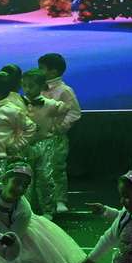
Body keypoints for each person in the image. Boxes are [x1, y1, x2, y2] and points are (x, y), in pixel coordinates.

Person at [18, 68, 70, 217]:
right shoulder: (19, 103)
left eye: (31, 86)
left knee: (45, 178)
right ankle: (25, 210)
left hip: (45, 144)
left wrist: (56, 126)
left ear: (41, 86)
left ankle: (47, 210)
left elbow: (66, 108)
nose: (27, 89)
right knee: (24, 177)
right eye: (24, 85)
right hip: (25, 144)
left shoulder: (49, 104)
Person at [37, 52, 82, 214]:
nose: (39, 71)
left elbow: (74, 112)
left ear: (53, 71)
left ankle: (60, 200)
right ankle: (43, 200)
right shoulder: (37, 88)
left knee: (57, 168)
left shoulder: (65, 90)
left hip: (57, 137)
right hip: (38, 137)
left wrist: (61, 127)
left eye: (41, 68)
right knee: (40, 169)